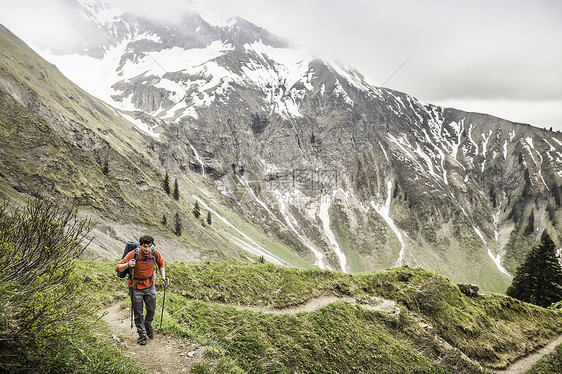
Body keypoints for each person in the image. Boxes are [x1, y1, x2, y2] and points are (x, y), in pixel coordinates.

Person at [115, 235, 169, 345]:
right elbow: (117, 267)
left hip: (150, 285)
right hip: (135, 287)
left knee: (151, 310)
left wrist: (163, 276)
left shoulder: (155, 253)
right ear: (140, 245)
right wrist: (128, 264)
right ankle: (142, 335)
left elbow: (161, 263)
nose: (147, 249)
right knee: (138, 313)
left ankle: (147, 325)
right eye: (145, 246)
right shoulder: (133, 254)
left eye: (149, 246)